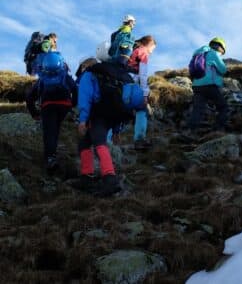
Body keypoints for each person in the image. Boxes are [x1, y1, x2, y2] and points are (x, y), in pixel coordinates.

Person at [76, 61, 144, 196]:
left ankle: (109, 178)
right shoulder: (113, 78)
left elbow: (85, 97)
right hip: (111, 116)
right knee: (84, 142)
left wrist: (83, 120)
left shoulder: (89, 74)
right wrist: (116, 130)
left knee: (99, 142)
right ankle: (86, 177)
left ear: (85, 65)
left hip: (98, 113)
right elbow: (118, 106)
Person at [26, 51, 77, 171]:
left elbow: (30, 97)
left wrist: (34, 113)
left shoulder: (43, 79)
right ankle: (53, 155)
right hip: (64, 107)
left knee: (49, 132)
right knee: (55, 128)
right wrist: (72, 105)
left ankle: (50, 158)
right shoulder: (65, 76)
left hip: (48, 107)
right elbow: (75, 90)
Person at [187, 37, 228, 133]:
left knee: (197, 109)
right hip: (210, 85)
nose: (221, 54)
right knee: (223, 107)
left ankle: (191, 131)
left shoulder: (199, 54)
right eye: (222, 52)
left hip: (197, 85)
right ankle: (218, 129)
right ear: (220, 47)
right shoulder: (213, 53)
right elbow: (223, 69)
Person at [128, 35, 157, 149]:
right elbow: (143, 75)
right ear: (149, 44)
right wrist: (145, 94)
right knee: (142, 109)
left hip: (123, 83)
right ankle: (139, 139)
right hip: (133, 84)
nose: (152, 52)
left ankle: (108, 141)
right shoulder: (143, 52)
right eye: (153, 48)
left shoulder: (133, 50)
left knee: (119, 112)